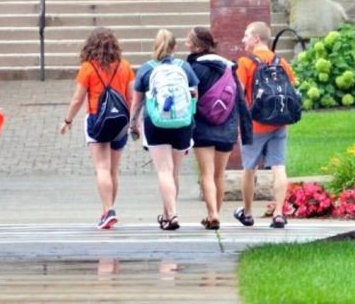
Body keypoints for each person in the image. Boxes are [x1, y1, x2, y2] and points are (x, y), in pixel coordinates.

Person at [60, 27, 135, 229]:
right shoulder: (125, 66)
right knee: (113, 171)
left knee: (102, 167)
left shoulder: (88, 68)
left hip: (97, 120)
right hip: (120, 121)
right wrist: (134, 122)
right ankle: (107, 210)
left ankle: (108, 210)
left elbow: (77, 99)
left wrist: (68, 120)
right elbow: (131, 97)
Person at [129, 29, 199, 230]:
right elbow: (195, 96)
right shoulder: (184, 67)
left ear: (155, 46)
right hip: (182, 123)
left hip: (156, 123)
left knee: (164, 171)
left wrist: (133, 124)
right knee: (174, 172)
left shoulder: (146, 69)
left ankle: (172, 214)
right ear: (175, 47)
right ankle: (168, 215)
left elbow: (136, 102)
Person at [185, 27, 252, 230]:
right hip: (227, 126)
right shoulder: (229, 67)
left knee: (206, 173)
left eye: (188, 41)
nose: (186, 44)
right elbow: (240, 100)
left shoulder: (193, 68)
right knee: (219, 174)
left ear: (196, 46)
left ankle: (212, 214)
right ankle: (215, 214)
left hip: (203, 126)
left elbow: (190, 99)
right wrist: (245, 130)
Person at [234, 21, 296, 229]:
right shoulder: (281, 61)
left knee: (249, 168)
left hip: (254, 124)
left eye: (246, 35)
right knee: (279, 167)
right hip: (279, 122)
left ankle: (247, 213)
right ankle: (278, 213)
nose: (243, 39)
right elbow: (291, 88)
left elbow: (238, 93)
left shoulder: (245, 62)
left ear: (256, 38)